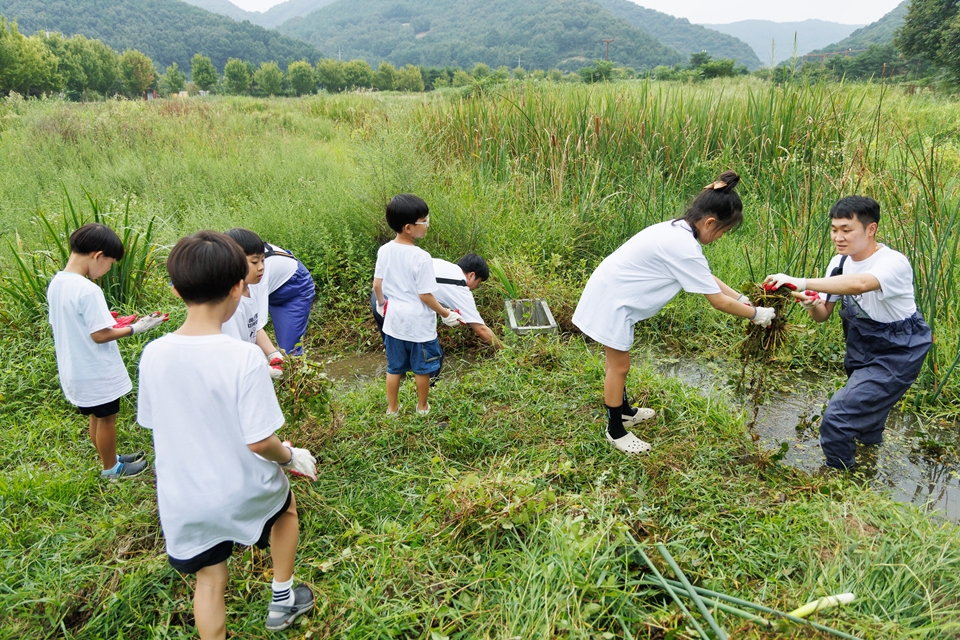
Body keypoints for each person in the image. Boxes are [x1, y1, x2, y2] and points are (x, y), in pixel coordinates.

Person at [138, 231, 318, 637]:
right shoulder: (242, 357)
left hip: (184, 500)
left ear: (175, 289)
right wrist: (291, 456)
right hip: (241, 488)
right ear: (239, 287)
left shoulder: (154, 354)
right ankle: (283, 599)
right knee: (286, 511)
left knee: (209, 579)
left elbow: (157, 422)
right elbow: (259, 441)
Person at [573, 171, 775, 455]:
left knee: (616, 365)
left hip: (610, 292)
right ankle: (615, 430)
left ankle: (625, 411)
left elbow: (705, 276)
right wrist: (756, 314)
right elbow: (717, 301)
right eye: (722, 232)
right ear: (710, 222)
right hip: (612, 302)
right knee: (618, 367)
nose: (719, 238)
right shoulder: (683, 246)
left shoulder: (676, 230)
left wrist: (742, 298)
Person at [764, 196, 932, 470]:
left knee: (838, 417)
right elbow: (823, 315)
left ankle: (841, 477)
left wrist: (801, 280)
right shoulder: (838, 263)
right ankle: (869, 457)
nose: (838, 237)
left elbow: (860, 284)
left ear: (871, 229)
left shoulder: (893, 262)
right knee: (867, 417)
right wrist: (812, 303)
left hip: (899, 350)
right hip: (861, 346)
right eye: (834, 229)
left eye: (846, 229)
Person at [47, 223, 167, 481]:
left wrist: (111, 321)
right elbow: (99, 335)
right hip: (95, 369)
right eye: (111, 263)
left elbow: (72, 322)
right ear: (98, 255)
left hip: (75, 368)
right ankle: (111, 469)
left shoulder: (58, 283)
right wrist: (137, 328)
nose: (108, 269)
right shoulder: (87, 289)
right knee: (107, 419)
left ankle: (109, 457)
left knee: (97, 416)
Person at [372, 194, 463, 416]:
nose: (427, 223)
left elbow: (377, 285)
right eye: (423, 220)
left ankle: (392, 409)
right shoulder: (421, 257)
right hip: (419, 325)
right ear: (408, 228)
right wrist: (445, 313)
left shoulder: (384, 250)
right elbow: (425, 295)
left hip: (393, 321)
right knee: (422, 369)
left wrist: (383, 305)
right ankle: (422, 407)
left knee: (394, 367)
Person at [372, 252, 501, 348]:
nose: (476, 287)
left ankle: (404, 381)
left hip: (379, 298)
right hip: (397, 303)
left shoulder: (443, 266)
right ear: (472, 275)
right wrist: (506, 351)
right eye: (478, 282)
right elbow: (481, 329)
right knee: (431, 359)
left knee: (397, 353)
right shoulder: (460, 285)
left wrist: (444, 312)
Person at [223, 229, 284, 379]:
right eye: (254, 262)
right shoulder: (231, 305)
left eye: (263, 260)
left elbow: (254, 326)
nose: (261, 267)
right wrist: (264, 370)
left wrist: (273, 354)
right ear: (233, 262)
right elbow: (234, 353)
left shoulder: (252, 288)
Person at [259, 241, 316, 356]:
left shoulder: (255, 270)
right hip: (270, 283)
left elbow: (254, 325)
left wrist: (272, 355)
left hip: (294, 288)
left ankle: (293, 370)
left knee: (289, 352)